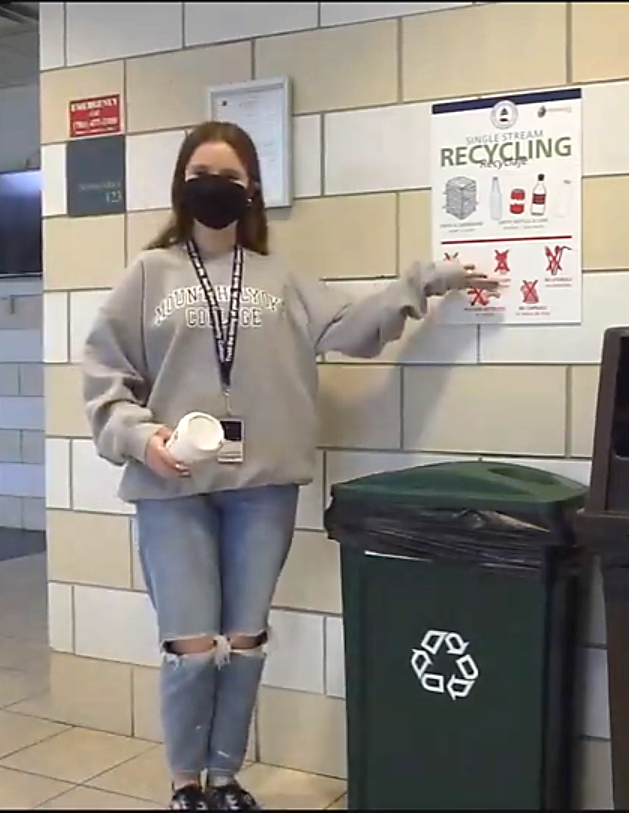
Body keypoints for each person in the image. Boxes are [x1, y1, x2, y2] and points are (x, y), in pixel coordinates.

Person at [79, 121, 497, 810]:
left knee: (244, 640)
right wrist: (139, 435)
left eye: (230, 178)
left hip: (262, 486)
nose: (215, 188)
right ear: (183, 188)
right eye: (200, 176)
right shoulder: (149, 274)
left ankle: (223, 776)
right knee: (190, 645)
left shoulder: (283, 278)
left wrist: (426, 281)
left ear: (252, 191)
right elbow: (103, 373)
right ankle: (185, 783)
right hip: (172, 484)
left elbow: (357, 328)